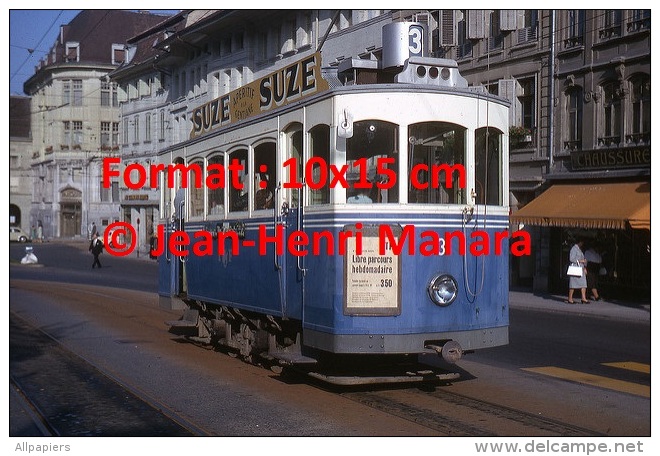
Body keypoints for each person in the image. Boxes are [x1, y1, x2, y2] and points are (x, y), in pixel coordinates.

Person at [567, 239, 589, 304]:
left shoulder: (579, 249)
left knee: (584, 284)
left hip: (581, 268)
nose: (582, 244)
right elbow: (571, 259)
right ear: (579, 242)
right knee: (573, 284)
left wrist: (585, 267)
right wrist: (580, 261)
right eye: (582, 242)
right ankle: (570, 298)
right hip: (575, 268)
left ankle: (583, 298)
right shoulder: (574, 249)